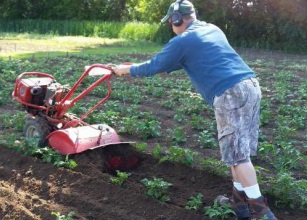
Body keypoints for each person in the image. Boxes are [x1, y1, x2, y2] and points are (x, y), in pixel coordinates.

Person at [113, 0, 277, 219]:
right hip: (250, 87)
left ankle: (261, 212)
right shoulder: (212, 29)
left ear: (177, 19)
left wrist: (126, 70)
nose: (171, 26)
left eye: (171, 22)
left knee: (238, 156)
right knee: (236, 151)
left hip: (229, 93)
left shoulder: (182, 41)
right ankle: (239, 202)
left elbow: (154, 66)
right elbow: (187, 59)